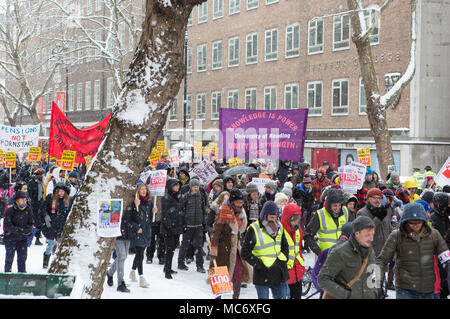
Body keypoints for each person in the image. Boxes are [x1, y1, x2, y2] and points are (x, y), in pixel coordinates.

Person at [377, 203, 450, 299]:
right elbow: (382, 260)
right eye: (411, 223)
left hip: (429, 290)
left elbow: (447, 261)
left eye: (419, 222)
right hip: (405, 290)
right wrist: (376, 282)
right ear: (405, 222)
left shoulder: (434, 235)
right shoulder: (397, 235)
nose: (415, 226)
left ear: (424, 221)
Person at [317, 216, 378, 299]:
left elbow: (373, 275)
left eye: (372, 234)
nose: (371, 239)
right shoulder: (340, 252)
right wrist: (346, 295)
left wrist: (374, 293)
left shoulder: (371, 252)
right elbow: (322, 279)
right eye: (367, 235)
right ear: (357, 234)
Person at [241, 201, 289, 299]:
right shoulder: (254, 229)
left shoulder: (279, 226)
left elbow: (285, 245)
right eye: (271, 217)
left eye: (276, 217)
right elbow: (245, 252)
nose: (274, 220)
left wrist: (284, 258)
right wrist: (259, 264)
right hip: (262, 274)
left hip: (279, 271)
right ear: (264, 215)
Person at [209, 188, 250, 299]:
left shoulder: (242, 213)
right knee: (221, 275)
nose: (240, 204)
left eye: (241, 202)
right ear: (232, 202)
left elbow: (240, 230)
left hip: (236, 249)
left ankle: (235, 298)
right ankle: (218, 298)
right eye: (238, 202)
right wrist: (213, 249)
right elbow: (216, 232)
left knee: (237, 274)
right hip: (223, 249)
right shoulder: (224, 212)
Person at [303, 188, 350, 256]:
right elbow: (308, 235)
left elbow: (352, 231)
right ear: (329, 205)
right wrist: (319, 252)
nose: (337, 208)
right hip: (326, 256)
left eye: (339, 205)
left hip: (343, 255)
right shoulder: (320, 214)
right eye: (334, 206)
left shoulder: (345, 211)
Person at [129, 183, 156, 288]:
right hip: (138, 232)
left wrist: (155, 213)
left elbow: (150, 219)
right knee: (140, 254)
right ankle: (141, 277)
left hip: (147, 231)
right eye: (141, 189)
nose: (144, 191)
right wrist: (137, 228)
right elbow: (131, 219)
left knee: (140, 253)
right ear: (138, 191)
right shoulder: (135, 203)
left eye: (145, 189)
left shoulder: (149, 203)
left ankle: (132, 271)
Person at [40, 183, 72, 268]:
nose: (61, 193)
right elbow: (43, 208)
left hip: (61, 225)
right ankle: (46, 261)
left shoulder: (67, 200)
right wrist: (46, 216)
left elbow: (68, 212)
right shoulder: (51, 198)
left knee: (61, 244)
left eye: (63, 191)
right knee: (51, 243)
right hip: (51, 224)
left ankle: (59, 261)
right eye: (60, 191)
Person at [178, 179, 206, 273]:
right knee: (185, 245)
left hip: (198, 225)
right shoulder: (186, 196)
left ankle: (200, 266)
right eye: (194, 186)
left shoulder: (201, 197)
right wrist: (183, 224)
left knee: (198, 247)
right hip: (188, 225)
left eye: (197, 186)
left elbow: (203, 210)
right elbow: (181, 210)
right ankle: (180, 263)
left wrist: (203, 223)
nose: (196, 188)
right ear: (191, 187)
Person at [356, 188, 394, 257]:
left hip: (385, 251)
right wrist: (378, 218)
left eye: (380, 198)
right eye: (375, 198)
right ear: (368, 198)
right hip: (371, 252)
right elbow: (365, 232)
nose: (378, 200)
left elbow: (389, 228)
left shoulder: (384, 211)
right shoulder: (362, 213)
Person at [106, 194, 133, 292]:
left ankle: (110, 273)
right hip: (117, 233)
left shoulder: (133, 203)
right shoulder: (117, 199)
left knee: (123, 257)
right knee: (121, 256)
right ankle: (121, 283)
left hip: (128, 233)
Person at [3, 191, 34, 273]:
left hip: (22, 239)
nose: (24, 202)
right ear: (17, 200)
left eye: (25, 200)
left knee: (22, 258)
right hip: (10, 238)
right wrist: (19, 230)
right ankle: (7, 275)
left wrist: (26, 231)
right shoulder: (10, 210)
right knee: (9, 258)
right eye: (22, 200)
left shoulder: (28, 210)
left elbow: (31, 224)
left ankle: (22, 274)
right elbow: (8, 225)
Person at [281, 203, 305, 299]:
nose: (296, 223)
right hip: (285, 271)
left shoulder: (298, 230)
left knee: (297, 295)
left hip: (297, 269)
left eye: (298, 220)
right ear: (288, 219)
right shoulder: (280, 231)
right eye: (294, 220)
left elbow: (298, 249)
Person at [161, 178, 183, 279]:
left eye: (178, 185)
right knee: (169, 249)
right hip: (168, 228)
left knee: (173, 248)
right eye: (175, 185)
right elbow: (165, 214)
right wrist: (170, 226)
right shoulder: (166, 198)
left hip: (176, 227)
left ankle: (167, 267)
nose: (177, 187)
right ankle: (167, 271)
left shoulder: (177, 197)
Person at [430, 192, 450, 298]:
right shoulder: (433, 218)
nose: (449, 206)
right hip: (436, 254)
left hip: (446, 253)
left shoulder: (446, 217)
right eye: (447, 203)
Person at [27, 167, 45, 246]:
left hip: (39, 205)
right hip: (34, 205)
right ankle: (30, 238)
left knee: (39, 222)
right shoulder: (32, 182)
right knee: (34, 222)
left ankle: (37, 238)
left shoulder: (40, 183)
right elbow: (30, 194)